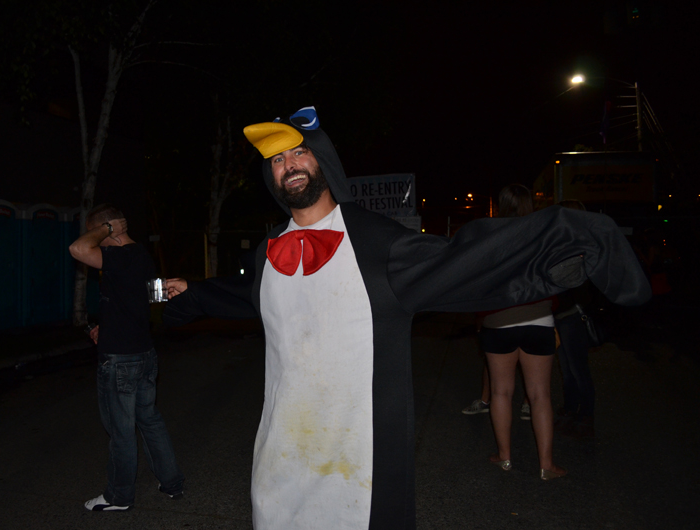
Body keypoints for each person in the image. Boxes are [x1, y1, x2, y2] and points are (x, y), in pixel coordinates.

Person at [161, 106, 650, 529]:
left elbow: (466, 259)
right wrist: (194, 293)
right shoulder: (270, 249)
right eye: (276, 159)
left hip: (360, 454)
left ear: (324, 160)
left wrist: (567, 240)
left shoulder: (376, 243)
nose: (288, 165)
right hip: (283, 448)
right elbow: (246, 297)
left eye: (299, 152)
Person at [69, 204, 184, 512]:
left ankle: (119, 497)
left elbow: (78, 249)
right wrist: (105, 327)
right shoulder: (141, 254)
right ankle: (171, 483)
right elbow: (137, 300)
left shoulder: (118, 255)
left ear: (110, 229)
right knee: (150, 420)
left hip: (120, 359)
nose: (97, 239)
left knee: (120, 431)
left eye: (99, 232)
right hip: (144, 353)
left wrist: (106, 230)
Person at [478, 184, 562, 479]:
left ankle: (504, 457)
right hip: (538, 318)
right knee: (540, 395)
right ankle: (546, 465)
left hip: (498, 320)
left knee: (501, 391)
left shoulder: (489, 237)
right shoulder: (543, 235)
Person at [553, 199, 596, 438]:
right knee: (567, 369)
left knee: (578, 369)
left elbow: (572, 282)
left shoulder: (581, 245)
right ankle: (570, 409)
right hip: (560, 314)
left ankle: (585, 414)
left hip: (572, 313)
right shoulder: (563, 242)